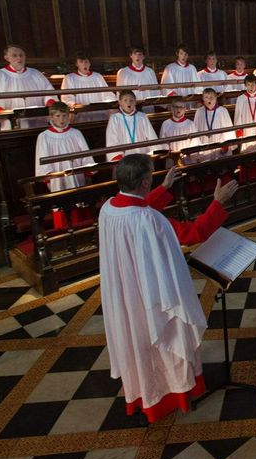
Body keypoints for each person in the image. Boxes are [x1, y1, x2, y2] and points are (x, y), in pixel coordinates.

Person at [99, 155, 240, 423]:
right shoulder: (150, 220)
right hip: (152, 293)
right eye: (150, 178)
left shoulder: (109, 208)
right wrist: (218, 204)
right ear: (143, 181)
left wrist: (163, 189)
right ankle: (172, 393)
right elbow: (192, 233)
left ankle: (146, 392)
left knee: (138, 337)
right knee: (164, 335)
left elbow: (137, 207)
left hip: (127, 289)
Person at [0, 44, 57, 130]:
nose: (19, 58)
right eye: (14, 55)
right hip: (11, 123)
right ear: (6, 57)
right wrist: (3, 114)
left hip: (38, 121)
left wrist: (50, 103)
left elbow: (49, 91)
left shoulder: (36, 74)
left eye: (21, 55)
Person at [35, 101, 95, 191]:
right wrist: (48, 179)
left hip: (77, 175)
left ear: (68, 116)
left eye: (64, 116)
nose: (61, 120)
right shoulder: (44, 136)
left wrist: (87, 173)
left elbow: (86, 155)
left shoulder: (76, 133)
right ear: (51, 117)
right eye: (58, 116)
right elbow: (42, 159)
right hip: (56, 178)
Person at [60, 51, 115, 122]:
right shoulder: (69, 78)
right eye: (81, 62)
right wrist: (75, 105)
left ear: (90, 63)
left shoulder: (97, 77)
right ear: (76, 64)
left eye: (86, 61)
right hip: (80, 115)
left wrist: (106, 104)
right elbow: (66, 98)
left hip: (98, 114)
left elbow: (107, 94)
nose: (84, 64)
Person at [106, 90, 160, 161]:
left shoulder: (142, 117)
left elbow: (151, 137)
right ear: (120, 102)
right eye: (125, 100)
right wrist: (118, 157)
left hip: (142, 156)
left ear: (135, 102)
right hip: (124, 159)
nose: (128, 103)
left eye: (131, 100)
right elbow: (112, 140)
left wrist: (156, 151)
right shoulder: (115, 118)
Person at [193, 88, 235, 157]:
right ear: (203, 99)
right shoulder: (199, 112)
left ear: (216, 98)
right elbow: (196, 130)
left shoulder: (223, 111)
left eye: (211, 97)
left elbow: (229, 130)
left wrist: (226, 145)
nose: (209, 99)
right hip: (204, 144)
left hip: (219, 144)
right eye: (206, 97)